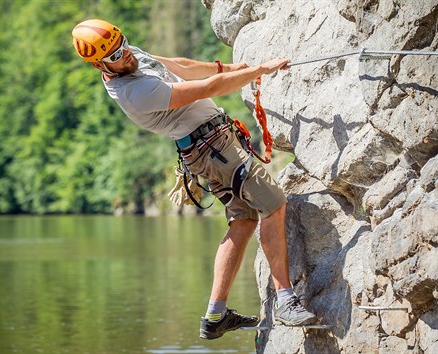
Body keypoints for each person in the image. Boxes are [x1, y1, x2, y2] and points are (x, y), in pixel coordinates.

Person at [72, 19, 318, 340]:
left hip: (212, 143)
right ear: (98, 65)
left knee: (243, 220)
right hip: (211, 149)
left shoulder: (129, 56)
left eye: (124, 44)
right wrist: (260, 69)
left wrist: (224, 66)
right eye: (116, 55)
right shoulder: (133, 91)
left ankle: (215, 315)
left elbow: (179, 66)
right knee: (273, 202)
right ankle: (286, 300)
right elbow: (206, 89)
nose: (126, 54)